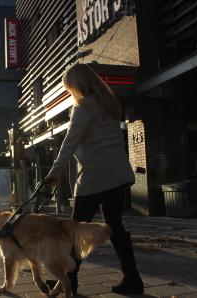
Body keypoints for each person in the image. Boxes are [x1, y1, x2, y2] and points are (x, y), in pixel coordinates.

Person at [45, 63, 144, 295]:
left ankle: (69, 282)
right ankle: (133, 279)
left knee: (75, 229)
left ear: (76, 86)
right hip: (117, 173)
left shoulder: (84, 107)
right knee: (115, 226)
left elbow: (70, 142)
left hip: (96, 175)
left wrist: (55, 172)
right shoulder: (109, 102)